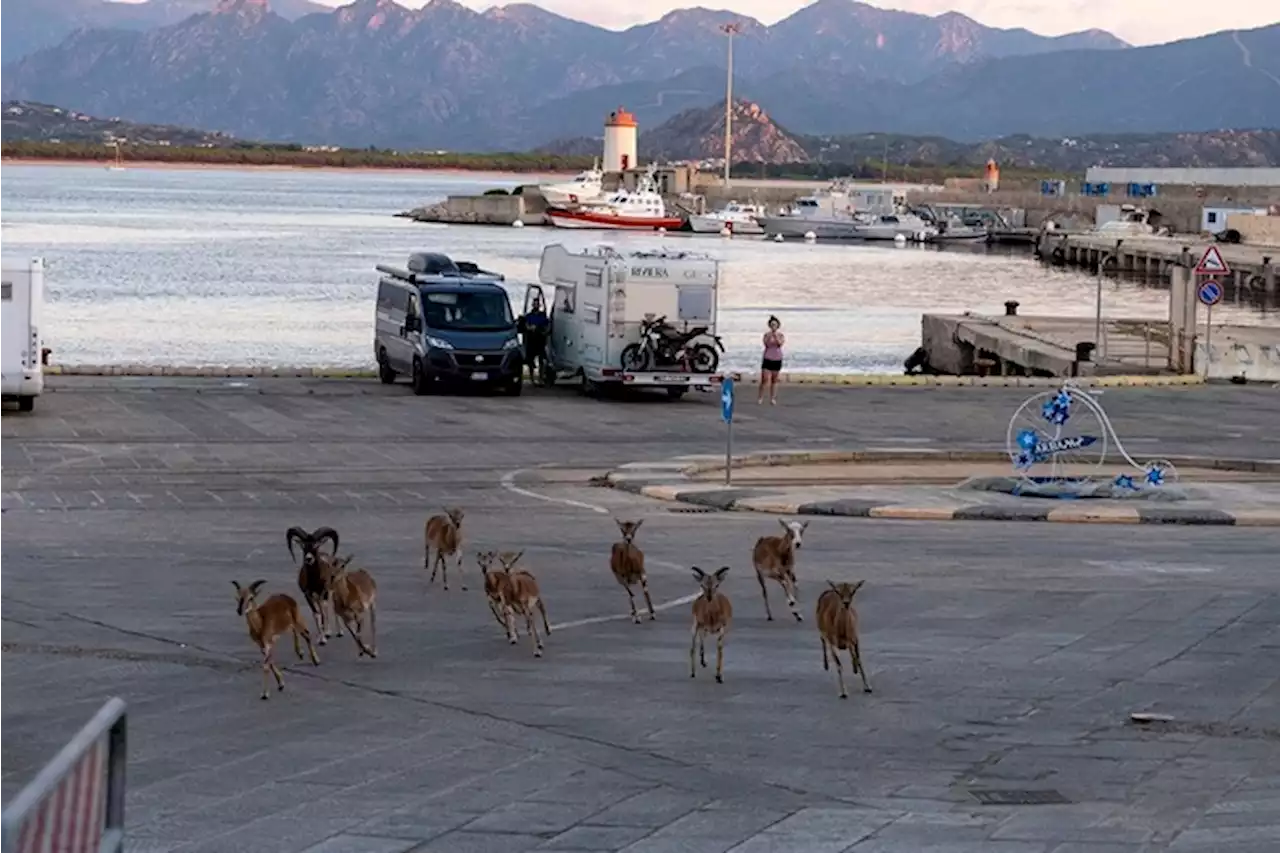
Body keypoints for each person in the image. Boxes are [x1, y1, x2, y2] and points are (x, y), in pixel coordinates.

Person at [519, 294, 550, 384]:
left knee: (542, 360)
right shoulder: (528, 316)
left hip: (540, 340)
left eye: (537, 304)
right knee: (530, 361)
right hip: (531, 340)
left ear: (539, 305)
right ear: (532, 305)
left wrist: (544, 331)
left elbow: (547, 326)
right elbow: (525, 326)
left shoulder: (542, 316)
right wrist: (530, 327)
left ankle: (540, 378)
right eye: (534, 304)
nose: (536, 306)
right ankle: (532, 378)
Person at [758, 315, 785, 405]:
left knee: (774, 380)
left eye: (775, 325)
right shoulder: (767, 335)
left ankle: (773, 398)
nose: (773, 326)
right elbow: (766, 344)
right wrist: (770, 336)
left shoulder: (780, 335)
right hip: (767, 358)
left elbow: (780, 344)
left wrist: (776, 336)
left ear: (777, 326)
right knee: (765, 379)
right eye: (772, 325)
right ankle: (760, 397)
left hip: (777, 358)